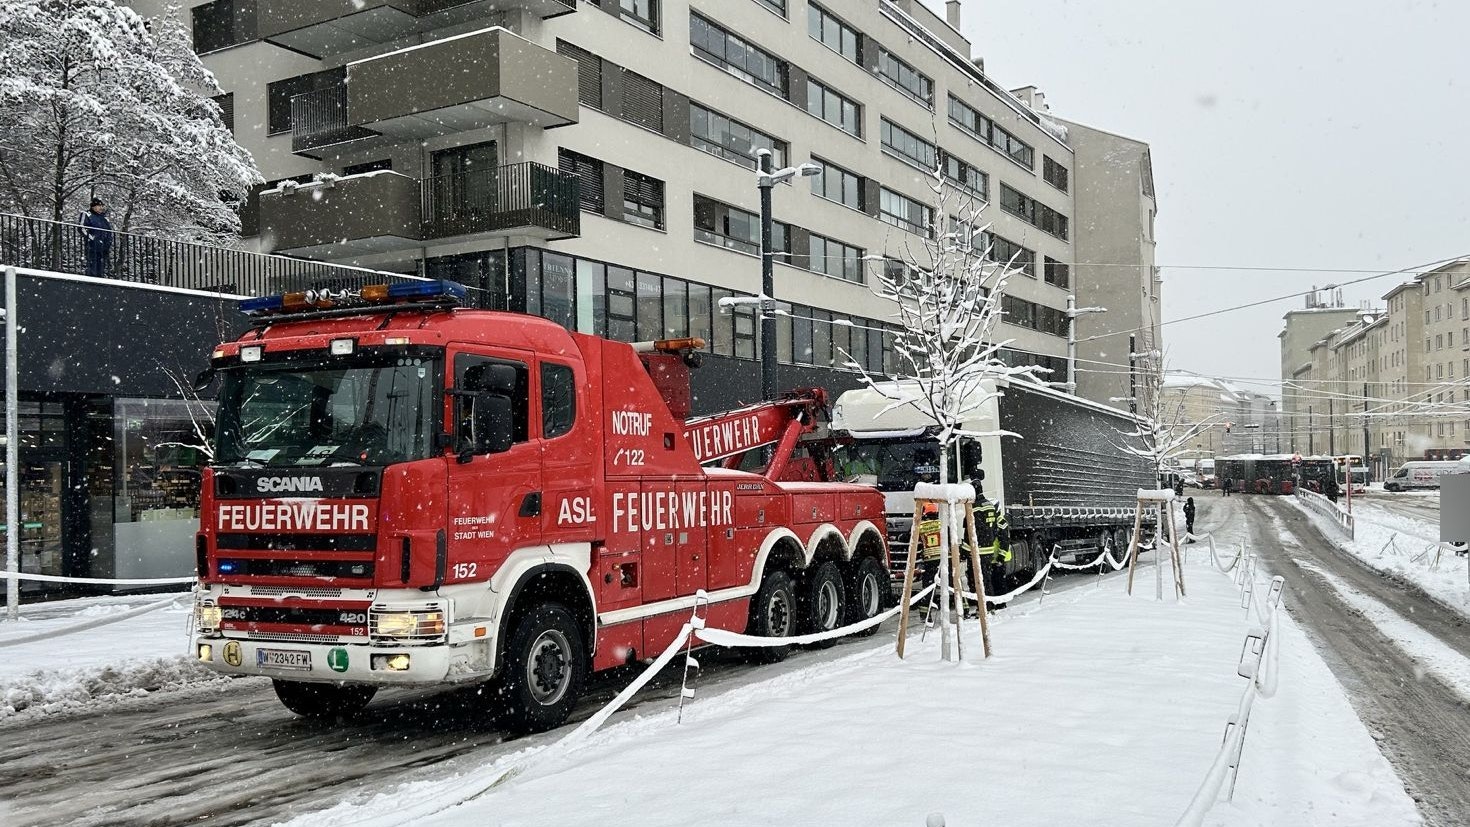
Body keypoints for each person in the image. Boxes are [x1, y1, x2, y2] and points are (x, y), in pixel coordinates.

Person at [970, 493, 1012, 605]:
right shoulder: (993, 521)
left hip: (999, 557)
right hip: (992, 557)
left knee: (999, 582)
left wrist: (1001, 557)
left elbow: (1004, 541)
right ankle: (994, 603)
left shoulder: (1001, 522)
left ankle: (1001, 604)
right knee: (992, 581)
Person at [79, 199, 113, 278]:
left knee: (101, 266)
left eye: (102, 206)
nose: (101, 208)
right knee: (92, 264)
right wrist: (92, 238)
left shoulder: (104, 219)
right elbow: (81, 228)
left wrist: (108, 242)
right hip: (92, 245)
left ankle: (99, 280)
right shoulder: (87, 214)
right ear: (93, 207)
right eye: (99, 206)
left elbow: (109, 231)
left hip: (104, 247)